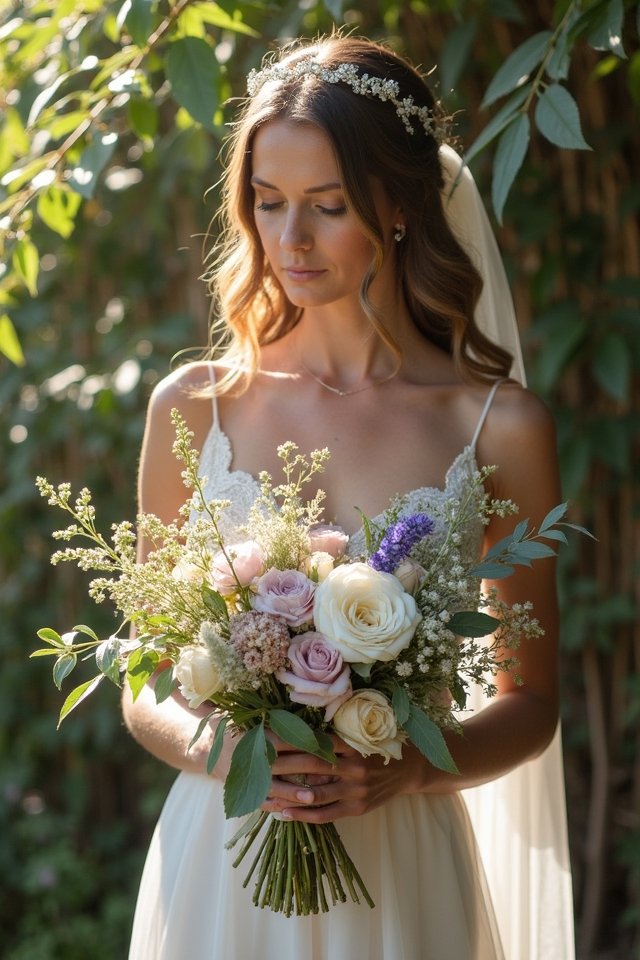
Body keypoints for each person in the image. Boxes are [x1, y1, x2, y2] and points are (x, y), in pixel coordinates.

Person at [122, 35, 574, 960]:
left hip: (403, 865)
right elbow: (144, 673)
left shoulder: (500, 425)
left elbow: (532, 702)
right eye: (268, 201)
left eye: (327, 207)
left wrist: (408, 768)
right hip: (225, 857)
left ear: (400, 204)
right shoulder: (193, 409)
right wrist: (231, 752)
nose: (290, 239)